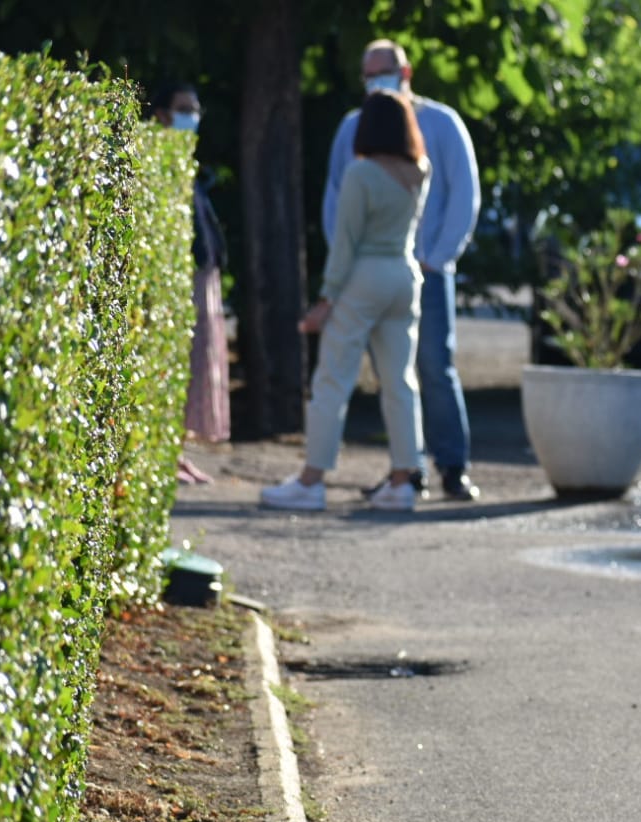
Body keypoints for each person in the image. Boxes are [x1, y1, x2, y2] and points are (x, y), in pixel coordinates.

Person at [322, 39, 482, 501]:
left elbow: (463, 195)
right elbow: (337, 201)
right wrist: (346, 263)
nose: (376, 82)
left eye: (383, 72)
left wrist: (438, 257)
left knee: (434, 367)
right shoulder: (353, 128)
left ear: (405, 72)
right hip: (372, 272)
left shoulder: (441, 123)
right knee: (394, 377)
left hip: (426, 270)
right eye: (368, 74)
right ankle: (406, 473)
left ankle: (452, 467)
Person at [261, 90, 430, 512]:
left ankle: (311, 480)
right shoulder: (418, 171)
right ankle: (403, 481)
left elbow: (346, 244)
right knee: (400, 383)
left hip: (365, 278)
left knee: (332, 380)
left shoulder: (361, 174)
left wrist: (325, 299)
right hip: (404, 277)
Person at [151, 82, 229, 485]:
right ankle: (167, 456)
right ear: (161, 114)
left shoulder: (185, 161)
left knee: (196, 366)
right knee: (179, 364)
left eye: (195, 109)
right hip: (181, 280)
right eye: (183, 109)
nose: (191, 118)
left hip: (200, 277)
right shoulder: (160, 162)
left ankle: (178, 453)